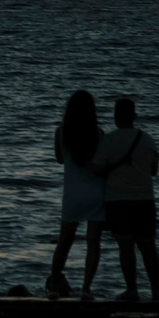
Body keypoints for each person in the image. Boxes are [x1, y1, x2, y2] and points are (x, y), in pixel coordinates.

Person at [90, 95, 159, 302]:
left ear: (115, 117)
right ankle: (157, 290)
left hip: (118, 201)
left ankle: (132, 290)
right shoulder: (147, 139)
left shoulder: (109, 140)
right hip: (145, 199)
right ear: (135, 116)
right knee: (148, 246)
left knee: (126, 246)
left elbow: (96, 168)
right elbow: (154, 170)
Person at [46, 90, 106, 298]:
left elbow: (60, 159)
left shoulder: (61, 132)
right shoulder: (98, 133)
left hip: (73, 194)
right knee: (93, 242)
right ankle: (86, 289)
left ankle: (54, 284)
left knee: (65, 240)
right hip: (96, 193)